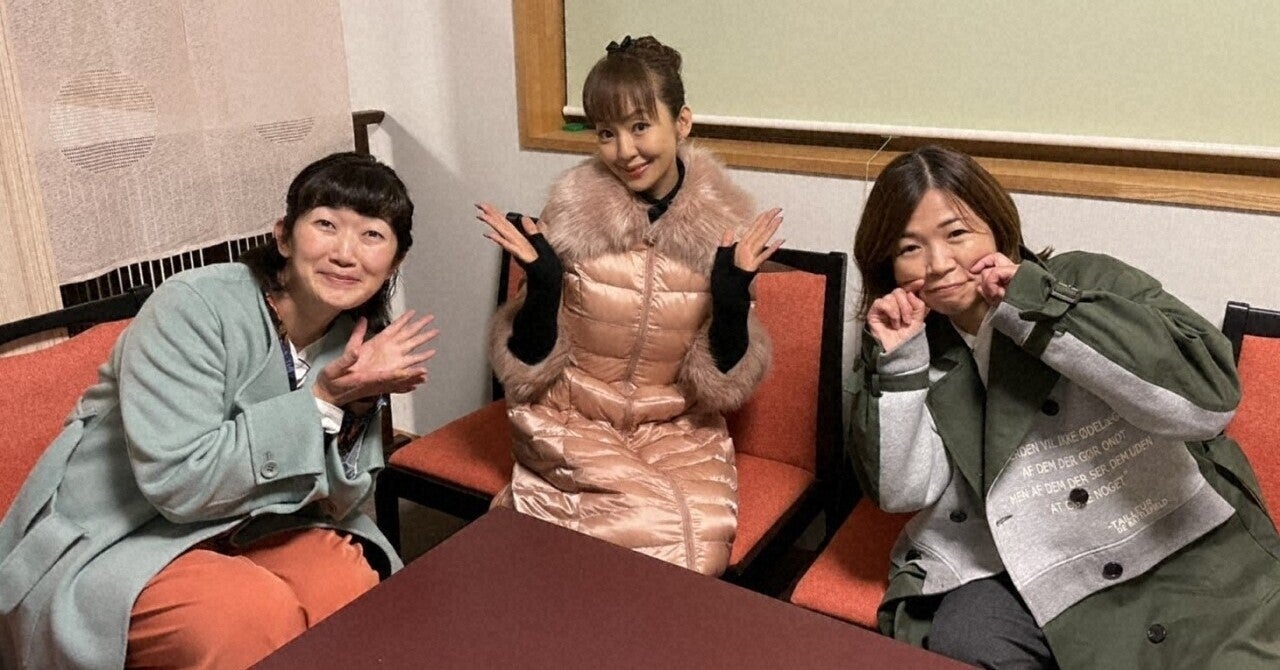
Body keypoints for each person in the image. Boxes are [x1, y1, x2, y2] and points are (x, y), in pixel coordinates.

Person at [0, 152, 436, 670]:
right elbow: (176, 483)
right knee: (247, 614)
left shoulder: (354, 338)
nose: (345, 253)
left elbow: (342, 503)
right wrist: (322, 401)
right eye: (325, 224)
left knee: (346, 582)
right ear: (283, 236)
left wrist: (357, 405)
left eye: (372, 235)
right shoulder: (193, 306)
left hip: (251, 518)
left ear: (395, 261)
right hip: (124, 527)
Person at [849, 144, 1280, 668]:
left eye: (956, 234)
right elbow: (904, 491)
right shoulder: (914, 335)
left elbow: (1205, 406)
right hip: (1003, 558)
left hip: (1158, 530)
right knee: (962, 641)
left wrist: (1039, 308)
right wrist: (899, 362)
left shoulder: (1084, 280)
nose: (939, 265)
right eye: (909, 247)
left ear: (997, 228)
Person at [475, 35, 782, 576]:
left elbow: (721, 385)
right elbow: (527, 368)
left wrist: (732, 296)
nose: (624, 151)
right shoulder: (570, 215)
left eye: (640, 126)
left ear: (681, 122)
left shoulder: (725, 230)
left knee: (700, 537)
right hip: (572, 418)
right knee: (636, 525)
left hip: (676, 428)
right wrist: (543, 286)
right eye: (606, 133)